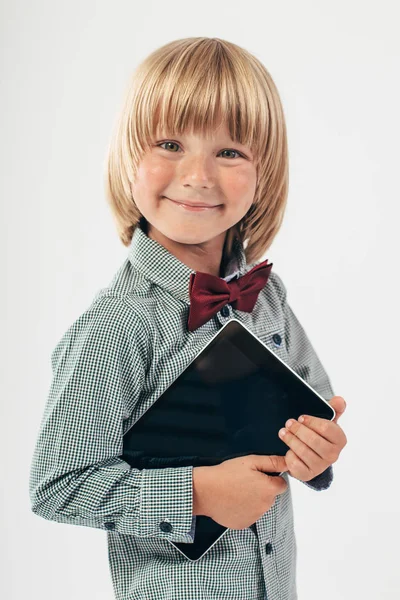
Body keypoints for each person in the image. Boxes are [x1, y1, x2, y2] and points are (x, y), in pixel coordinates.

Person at [29, 37, 347, 600]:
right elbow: (58, 486)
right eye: (170, 143)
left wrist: (316, 451)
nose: (198, 175)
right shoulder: (118, 325)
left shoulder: (267, 295)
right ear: (130, 161)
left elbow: (312, 404)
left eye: (229, 152)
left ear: (262, 173)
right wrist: (196, 495)